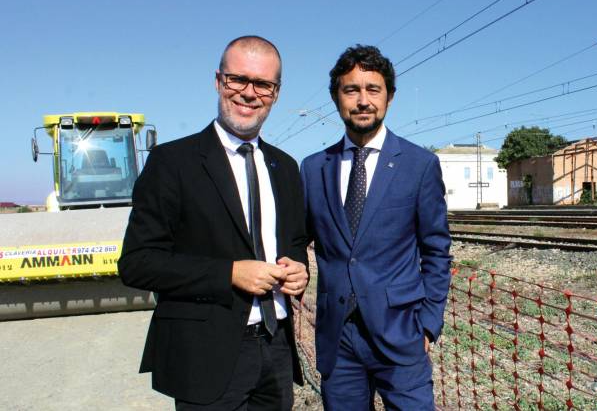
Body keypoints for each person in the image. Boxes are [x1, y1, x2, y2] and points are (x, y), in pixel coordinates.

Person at [118, 35, 310, 410]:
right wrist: (229, 274)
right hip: (206, 355)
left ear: (277, 92)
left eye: (263, 84)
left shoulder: (285, 167)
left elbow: (293, 241)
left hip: (276, 349)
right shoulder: (172, 163)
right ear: (218, 81)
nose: (249, 93)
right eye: (237, 79)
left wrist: (297, 267)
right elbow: (137, 263)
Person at [300, 45, 452, 410]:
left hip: (401, 334)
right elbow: (295, 240)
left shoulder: (419, 164)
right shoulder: (313, 168)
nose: (363, 100)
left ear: (389, 97)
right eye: (351, 90)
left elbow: (436, 251)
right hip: (339, 340)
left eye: (373, 89)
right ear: (337, 98)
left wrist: (428, 323)